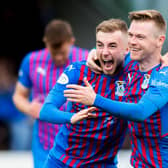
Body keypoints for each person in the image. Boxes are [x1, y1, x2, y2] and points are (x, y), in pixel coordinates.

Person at [64, 10, 168, 167]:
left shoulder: (164, 74)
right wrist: (94, 53)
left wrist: (94, 99)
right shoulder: (130, 63)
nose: (132, 42)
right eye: (131, 35)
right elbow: (109, 50)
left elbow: (140, 112)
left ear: (160, 41)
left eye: (140, 37)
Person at [40, 19, 131, 167]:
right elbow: (46, 111)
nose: (105, 52)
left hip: (103, 163)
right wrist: (71, 117)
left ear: (127, 49)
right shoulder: (78, 71)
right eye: (100, 45)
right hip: (62, 161)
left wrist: (95, 99)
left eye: (112, 46)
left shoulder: (133, 76)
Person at [12, 19, 89, 168]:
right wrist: (29, 108)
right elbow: (18, 95)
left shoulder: (87, 60)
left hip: (78, 141)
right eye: (54, 53)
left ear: (71, 42)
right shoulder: (31, 61)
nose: (59, 57)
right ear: (45, 42)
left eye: (63, 53)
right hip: (44, 140)